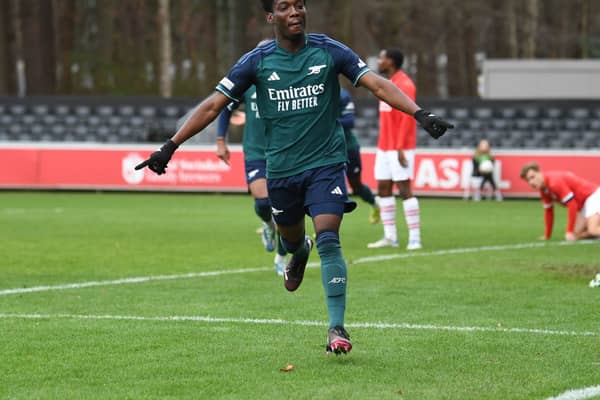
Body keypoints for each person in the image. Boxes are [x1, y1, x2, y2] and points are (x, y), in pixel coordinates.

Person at [135, 0, 453, 355]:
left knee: (329, 236)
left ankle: (337, 327)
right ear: (271, 17)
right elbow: (213, 105)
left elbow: (376, 84)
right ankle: (298, 250)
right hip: (283, 171)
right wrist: (170, 146)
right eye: (285, 7)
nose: (295, 12)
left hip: (326, 164)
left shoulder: (329, 50)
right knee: (290, 239)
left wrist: (419, 114)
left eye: (299, 5)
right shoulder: (256, 61)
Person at [216, 84, 288, 275]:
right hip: (255, 152)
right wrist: (221, 141)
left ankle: (281, 258)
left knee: (285, 210)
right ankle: (268, 225)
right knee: (264, 203)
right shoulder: (249, 84)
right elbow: (225, 106)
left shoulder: (288, 80)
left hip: (284, 152)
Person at [367, 48, 421, 250]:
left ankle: (415, 238)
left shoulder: (405, 84)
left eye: (381, 58)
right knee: (383, 188)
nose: (379, 61)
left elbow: (408, 117)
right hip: (384, 146)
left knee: (405, 189)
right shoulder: (386, 84)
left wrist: (400, 147)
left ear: (390, 61)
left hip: (400, 147)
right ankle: (390, 236)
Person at [520, 162, 600, 241]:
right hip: (584, 204)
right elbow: (549, 211)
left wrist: (568, 231)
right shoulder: (543, 190)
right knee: (576, 234)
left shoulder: (554, 182)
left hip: (593, 196)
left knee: (593, 229)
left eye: (532, 177)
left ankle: (595, 230)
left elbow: (572, 205)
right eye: (528, 180)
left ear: (540, 173)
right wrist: (547, 235)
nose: (531, 182)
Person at [338, 88, 379, 224]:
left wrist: (326, 121)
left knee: (356, 187)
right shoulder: (312, 93)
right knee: (331, 188)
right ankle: (326, 225)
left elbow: (350, 122)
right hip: (327, 149)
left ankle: (375, 204)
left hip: (349, 148)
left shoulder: (342, 94)